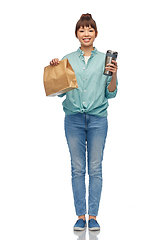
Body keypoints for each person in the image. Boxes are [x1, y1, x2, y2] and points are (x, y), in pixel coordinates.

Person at [50, 13, 118, 231]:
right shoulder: (67, 59)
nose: (86, 33)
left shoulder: (105, 60)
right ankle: (80, 216)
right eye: (82, 30)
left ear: (96, 33)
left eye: (90, 30)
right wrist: (55, 68)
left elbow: (111, 93)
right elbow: (59, 92)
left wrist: (115, 75)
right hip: (73, 119)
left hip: (98, 119)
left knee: (95, 168)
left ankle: (93, 216)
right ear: (76, 34)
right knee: (78, 169)